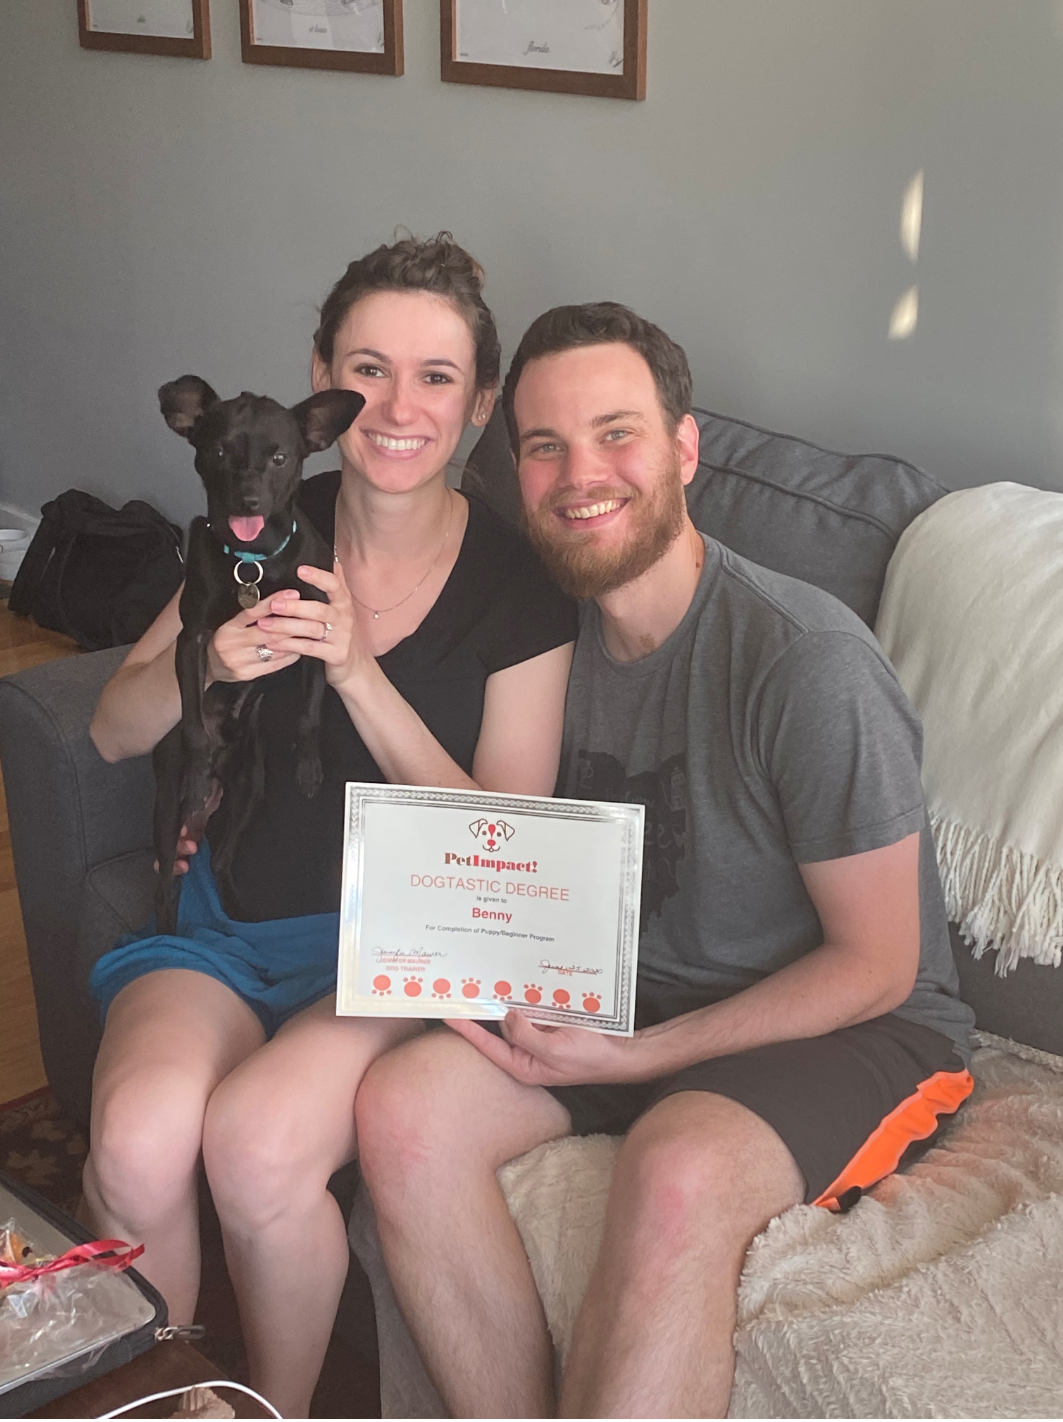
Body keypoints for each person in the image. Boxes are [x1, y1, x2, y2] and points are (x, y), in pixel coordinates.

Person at [353, 302, 977, 1418]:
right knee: (402, 1108)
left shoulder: (805, 663)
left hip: (858, 1027)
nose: (577, 473)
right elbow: (486, 826)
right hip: (615, 994)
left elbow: (879, 965)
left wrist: (641, 1054)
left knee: (677, 1175)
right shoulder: (536, 632)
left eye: (615, 434)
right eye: (543, 445)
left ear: (686, 450)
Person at [82, 235, 577, 1419]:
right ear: (320, 383)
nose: (398, 407)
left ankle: (276, 1410)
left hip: (390, 954)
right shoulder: (259, 512)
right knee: (139, 1141)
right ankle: (181, 1395)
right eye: (370, 368)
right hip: (227, 921)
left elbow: (514, 845)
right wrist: (203, 665)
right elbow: (108, 728)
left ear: (481, 404)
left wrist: (357, 673)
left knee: (255, 1146)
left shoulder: (520, 589)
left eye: (438, 377)